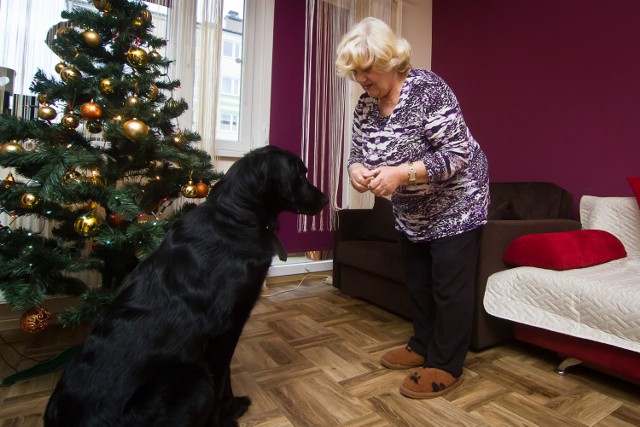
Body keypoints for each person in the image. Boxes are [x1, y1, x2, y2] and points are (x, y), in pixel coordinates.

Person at [335, 17, 489, 399]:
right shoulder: (366, 105)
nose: (361, 80)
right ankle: (421, 345)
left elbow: (458, 154)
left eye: (366, 70)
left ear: (389, 60)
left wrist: (400, 174)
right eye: (355, 72)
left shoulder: (428, 90)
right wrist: (355, 168)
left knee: (447, 286)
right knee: (418, 280)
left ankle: (444, 364)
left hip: (458, 199)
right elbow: (358, 151)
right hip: (412, 208)